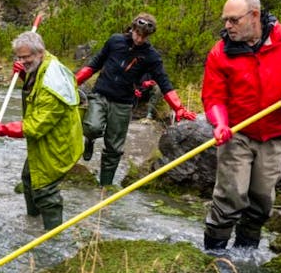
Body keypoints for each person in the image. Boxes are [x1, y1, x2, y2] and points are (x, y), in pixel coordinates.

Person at [201, 0, 281, 251]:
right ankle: (212, 256)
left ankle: (245, 258)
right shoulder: (220, 53)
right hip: (236, 133)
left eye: (233, 20)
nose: (227, 26)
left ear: (254, 16)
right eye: (225, 20)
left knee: (261, 201)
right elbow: (213, 97)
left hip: (275, 134)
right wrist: (220, 124)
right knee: (231, 197)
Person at [75, 13, 197, 186]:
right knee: (92, 127)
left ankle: (105, 186)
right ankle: (90, 140)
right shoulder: (115, 41)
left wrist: (178, 108)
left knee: (114, 148)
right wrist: (73, 83)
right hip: (101, 94)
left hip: (123, 103)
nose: (139, 39)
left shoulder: (151, 56)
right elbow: (95, 64)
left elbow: (164, 83)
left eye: (144, 36)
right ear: (132, 28)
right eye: (137, 33)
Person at [0, 31, 84, 230]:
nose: (22, 61)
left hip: (58, 144)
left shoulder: (51, 83)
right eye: (19, 58)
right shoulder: (44, 64)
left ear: (39, 52)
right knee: (29, 178)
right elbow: (34, 96)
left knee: (45, 189)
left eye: (26, 57)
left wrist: (5, 129)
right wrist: (26, 76)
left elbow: (36, 125)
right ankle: (33, 222)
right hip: (46, 140)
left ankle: (52, 236)